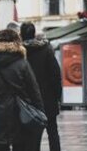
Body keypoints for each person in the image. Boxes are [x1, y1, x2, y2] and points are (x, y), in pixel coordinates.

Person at [0, 29, 44, 151]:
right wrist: (40, 111)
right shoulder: (22, 63)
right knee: (20, 145)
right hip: (20, 112)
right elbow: (33, 90)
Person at [20, 22, 62, 151]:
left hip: (28, 101)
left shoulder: (20, 53)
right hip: (48, 99)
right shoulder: (46, 50)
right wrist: (57, 97)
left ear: (21, 35)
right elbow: (56, 75)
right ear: (34, 33)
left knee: (31, 134)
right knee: (52, 132)